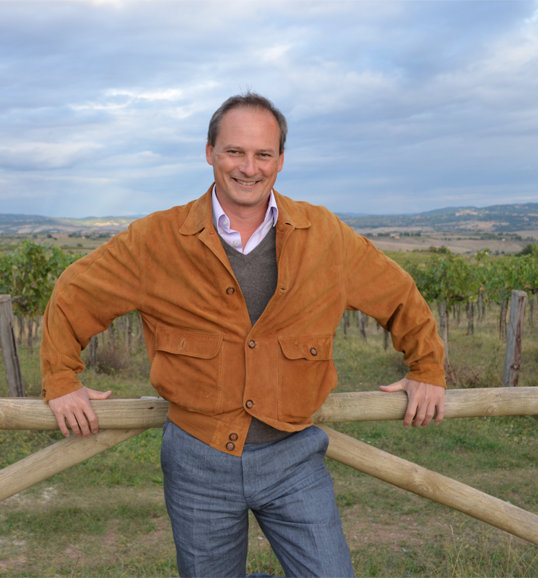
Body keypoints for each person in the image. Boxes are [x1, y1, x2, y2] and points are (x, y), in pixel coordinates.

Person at [40, 92, 447, 578]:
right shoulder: (156, 240)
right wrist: (62, 380)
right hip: (197, 461)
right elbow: (75, 294)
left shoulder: (325, 236)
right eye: (234, 151)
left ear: (280, 160)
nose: (248, 167)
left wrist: (427, 369)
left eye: (263, 154)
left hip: (293, 458)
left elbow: (398, 294)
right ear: (210, 152)